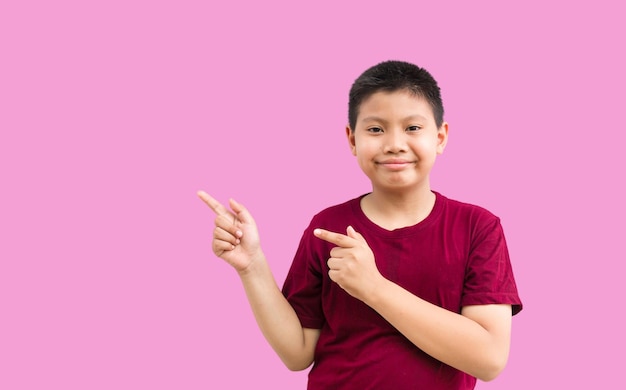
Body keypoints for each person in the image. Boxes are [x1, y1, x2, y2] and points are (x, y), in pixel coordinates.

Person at [198, 60, 522, 389]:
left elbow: (489, 358)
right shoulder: (327, 227)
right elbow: (297, 353)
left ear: (440, 137)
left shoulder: (477, 227)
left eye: (412, 128)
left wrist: (373, 287)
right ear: (352, 140)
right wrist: (252, 266)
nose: (395, 143)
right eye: (376, 129)